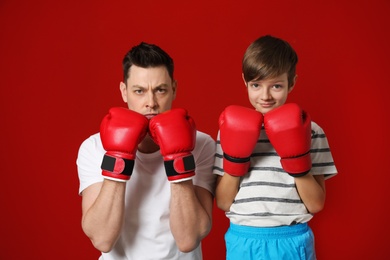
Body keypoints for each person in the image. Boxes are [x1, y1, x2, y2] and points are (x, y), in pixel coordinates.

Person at [76, 42, 216, 260]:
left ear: (174, 89)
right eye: (139, 91)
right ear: (124, 91)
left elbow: (188, 239)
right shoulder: (94, 147)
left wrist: (178, 157)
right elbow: (102, 239)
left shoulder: (202, 145)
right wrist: (118, 156)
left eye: (160, 90)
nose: (151, 103)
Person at [213, 35, 338, 259]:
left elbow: (316, 203)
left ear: (292, 82)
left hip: (291, 239)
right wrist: (236, 160)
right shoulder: (229, 129)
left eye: (277, 86)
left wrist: (296, 159)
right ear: (245, 81)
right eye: (256, 85)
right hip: (243, 239)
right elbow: (223, 202)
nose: (266, 96)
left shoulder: (311, 131)